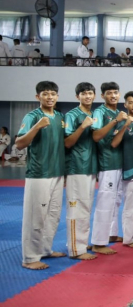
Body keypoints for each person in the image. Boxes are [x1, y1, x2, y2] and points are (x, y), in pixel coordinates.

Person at [16, 81, 66, 270]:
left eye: (53, 94)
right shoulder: (33, 116)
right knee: (35, 217)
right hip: (39, 174)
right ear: (38, 97)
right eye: (45, 94)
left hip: (57, 172)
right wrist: (37, 126)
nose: (50, 97)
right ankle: (29, 258)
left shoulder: (60, 117)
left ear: (57, 96)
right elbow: (20, 144)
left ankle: (45, 249)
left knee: (53, 215)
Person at [90, 82, 127, 255]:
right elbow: (96, 136)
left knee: (115, 201)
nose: (113, 95)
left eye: (115, 92)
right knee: (105, 202)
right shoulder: (100, 112)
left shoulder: (118, 113)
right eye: (109, 93)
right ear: (102, 95)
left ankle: (111, 234)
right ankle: (98, 242)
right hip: (106, 163)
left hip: (118, 162)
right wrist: (116, 121)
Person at [63, 83, 98, 260]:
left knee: (87, 207)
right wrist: (83, 126)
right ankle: (76, 249)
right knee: (76, 209)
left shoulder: (93, 115)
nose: (87, 96)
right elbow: (67, 142)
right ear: (78, 97)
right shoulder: (72, 115)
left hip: (90, 167)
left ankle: (82, 242)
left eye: (90, 93)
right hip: (76, 167)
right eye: (83, 94)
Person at [110, 91, 133, 248]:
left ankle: (130, 232)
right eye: (130, 102)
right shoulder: (121, 120)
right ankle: (128, 238)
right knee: (124, 204)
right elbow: (114, 142)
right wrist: (125, 125)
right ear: (125, 105)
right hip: (125, 167)